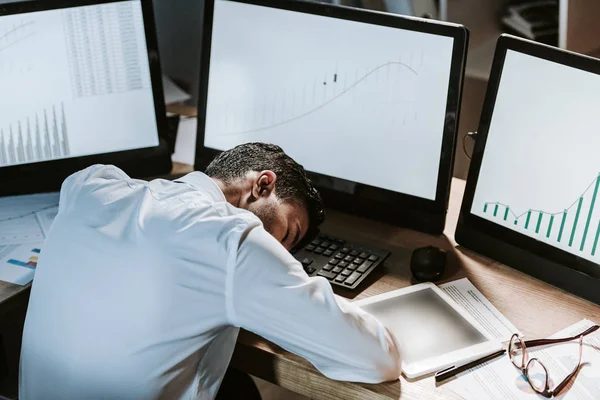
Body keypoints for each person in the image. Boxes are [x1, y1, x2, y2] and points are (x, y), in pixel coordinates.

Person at [19, 143, 401, 399]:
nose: (282, 251)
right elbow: (375, 357)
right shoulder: (233, 241)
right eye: (289, 231)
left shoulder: (89, 185)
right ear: (263, 183)